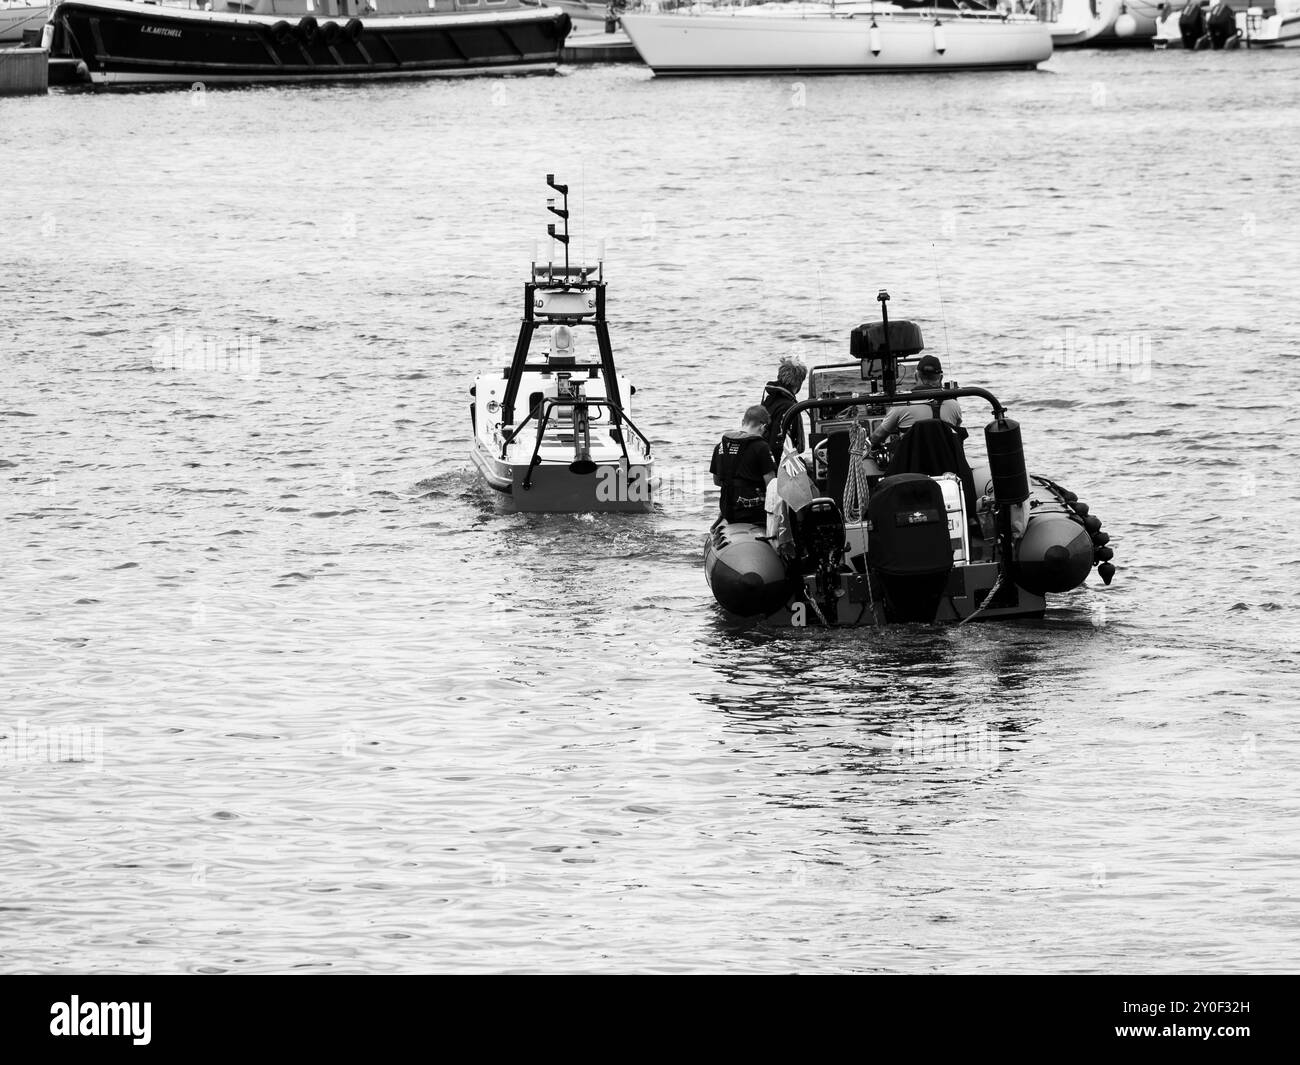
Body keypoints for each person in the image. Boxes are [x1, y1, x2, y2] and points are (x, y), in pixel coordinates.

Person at [865, 354, 962, 450]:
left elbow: (877, 436)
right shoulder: (954, 405)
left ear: (916, 376)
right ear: (940, 378)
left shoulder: (901, 404)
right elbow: (957, 432)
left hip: (912, 464)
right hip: (946, 463)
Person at [710, 405, 777, 525]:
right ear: (764, 427)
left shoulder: (720, 446)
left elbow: (717, 481)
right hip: (753, 512)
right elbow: (771, 485)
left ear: (743, 422)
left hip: (727, 510)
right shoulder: (761, 447)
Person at [760, 355, 808, 463]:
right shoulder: (788, 407)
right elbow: (778, 444)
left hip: (763, 458)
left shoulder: (769, 400)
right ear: (799, 383)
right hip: (778, 463)